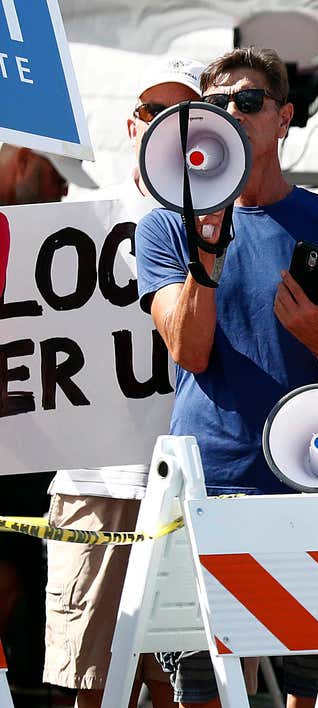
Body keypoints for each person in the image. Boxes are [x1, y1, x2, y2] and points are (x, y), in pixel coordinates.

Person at [135, 47, 318, 708]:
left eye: (248, 101)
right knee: (207, 692)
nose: (231, 114)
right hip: (212, 482)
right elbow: (188, 350)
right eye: (216, 104)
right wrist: (207, 252)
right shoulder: (166, 224)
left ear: (284, 119)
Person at [40, 58, 203, 708]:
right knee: (89, 683)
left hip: (190, 479)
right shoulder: (73, 217)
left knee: (180, 680)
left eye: (183, 114)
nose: (165, 127)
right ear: (130, 123)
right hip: (95, 480)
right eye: (152, 112)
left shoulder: (229, 220)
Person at [0, 129, 98, 701]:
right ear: (25, 162)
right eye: (59, 179)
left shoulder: (51, 238)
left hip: (38, 440)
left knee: (27, 572)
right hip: (17, 443)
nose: (63, 195)